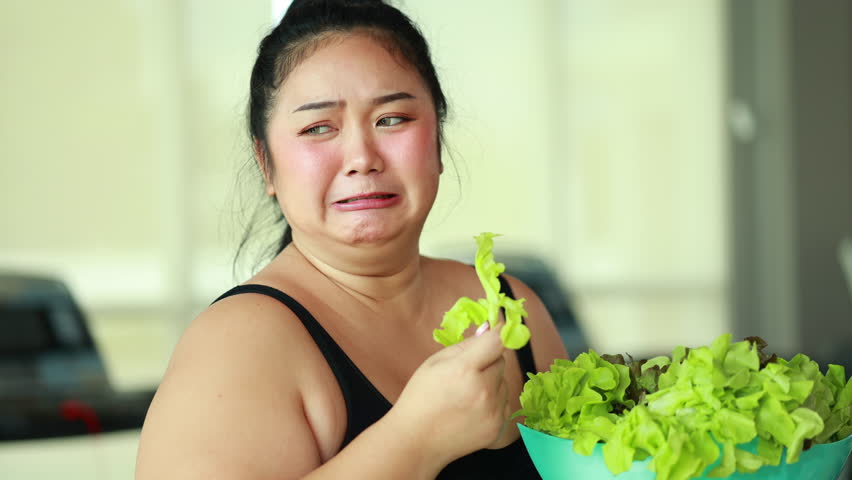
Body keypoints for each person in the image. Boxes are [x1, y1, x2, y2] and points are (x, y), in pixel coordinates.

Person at [135, 0, 568, 478]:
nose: (362, 157)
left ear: (438, 141)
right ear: (266, 164)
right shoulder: (237, 345)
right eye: (318, 127)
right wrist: (415, 439)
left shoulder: (509, 306)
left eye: (392, 119)